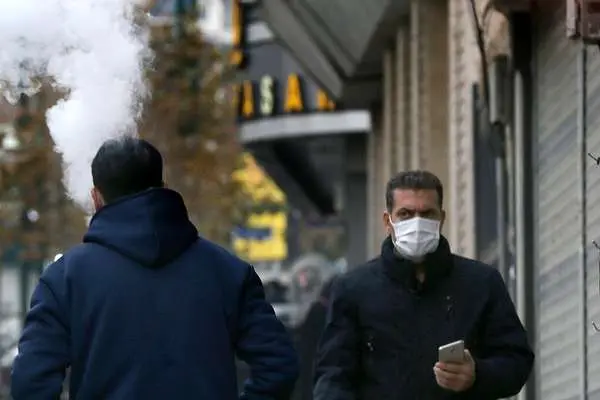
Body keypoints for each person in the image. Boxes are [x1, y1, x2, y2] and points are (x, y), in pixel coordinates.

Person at [11, 137, 299, 399]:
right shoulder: (229, 272)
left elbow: (30, 384)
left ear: (96, 198)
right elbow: (279, 365)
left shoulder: (65, 279)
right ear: (162, 187)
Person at [313, 170, 534, 399]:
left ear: (441, 219)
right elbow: (332, 375)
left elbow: (517, 360)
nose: (417, 223)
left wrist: (477, 374)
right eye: (405, 214)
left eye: (427, 214)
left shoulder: (481, 283)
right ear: (388, 221)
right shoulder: (354, 289)